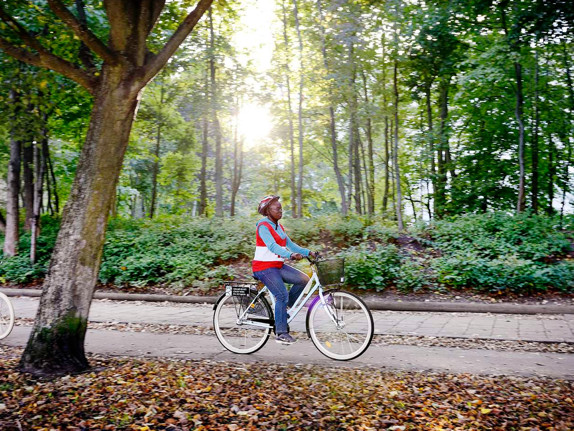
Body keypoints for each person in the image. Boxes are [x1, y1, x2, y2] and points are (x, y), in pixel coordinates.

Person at [252, 195, 317, 345]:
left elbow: (290, 244)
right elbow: (272, 246)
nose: (281, 210)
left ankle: (283, 311)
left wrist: (308, 252)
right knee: (281, 295)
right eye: (277, 208)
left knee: (303, 280)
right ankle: (281, 332)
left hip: (276, 266)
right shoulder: (263, 226)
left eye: (281, 208)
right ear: (268, 210)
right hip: (264, 267)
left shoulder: (278, 226)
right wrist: (290, 255)